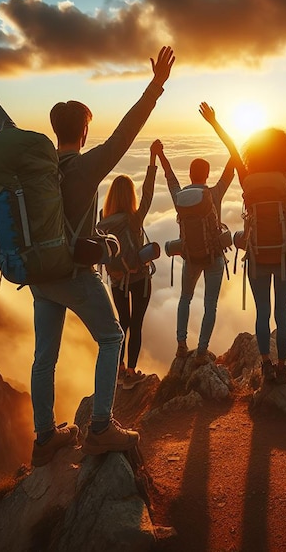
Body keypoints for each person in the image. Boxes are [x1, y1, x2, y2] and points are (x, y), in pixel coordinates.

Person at [0, 45, 175, 464]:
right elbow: (125, 133)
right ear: (85, 132)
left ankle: (45, 438)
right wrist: (156, 85)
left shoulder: (34, 167)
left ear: (55, 130)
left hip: (39, 273)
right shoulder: (87, 168)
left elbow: (5, 127)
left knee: (45, 357)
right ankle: (101, 428)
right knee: (112, 337)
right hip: (75, 273)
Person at [200, 101, 286, 384]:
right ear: (284, 151)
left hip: (257, 258)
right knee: (282, 315)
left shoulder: (247, 177)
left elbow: (232, 149)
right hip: (285, 259)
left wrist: (214, 121)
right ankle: (283, 365)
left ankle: (265, 365)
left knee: (262, 313)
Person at [154, 140, 234, 364]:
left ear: (190, 175)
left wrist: (160, 155)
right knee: (211, 305)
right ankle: (201, 350)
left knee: (185, 299)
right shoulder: (213, 193)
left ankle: (181, 344)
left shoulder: (180, 197)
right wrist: (236, 146)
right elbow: (231, 169)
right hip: (214, 257)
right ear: (207, 175)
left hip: (189, 258)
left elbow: (170, 178)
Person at [100, 140, 160, 389]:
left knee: (121, 323)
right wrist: (152, 161)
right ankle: (132, 372)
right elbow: (148, 195)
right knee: (136, 324)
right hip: (140, 279)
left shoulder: (103, 223)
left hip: (116, 282)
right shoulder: (134, 219)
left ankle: (120, 369)